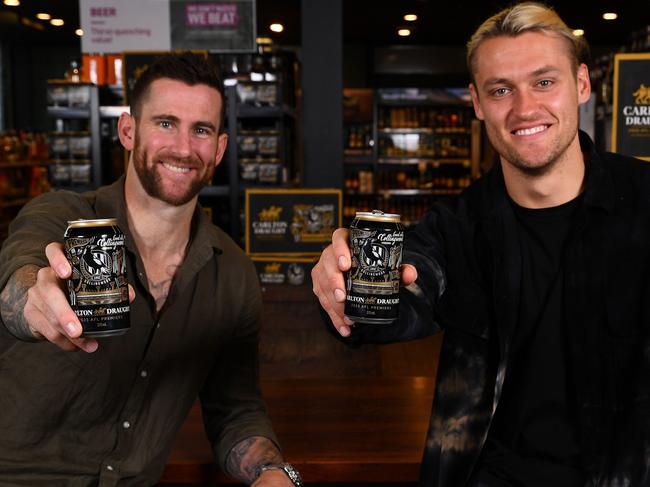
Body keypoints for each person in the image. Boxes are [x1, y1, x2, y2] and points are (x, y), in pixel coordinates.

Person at [312, 3, 649, 486]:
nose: (525, 108)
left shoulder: (642, 201)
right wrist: (345, 284)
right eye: (500, 90)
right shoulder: (458, 227)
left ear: (581, 84)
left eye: (544, 82)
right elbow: (403, 293)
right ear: (476, 102)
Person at [0, 53, 301, 486]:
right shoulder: (63, 217)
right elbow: (21, 273)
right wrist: (35, 302)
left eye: (200, 130)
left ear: (218, 148)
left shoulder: (233, 274)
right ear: (128, 130)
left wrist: (273, 472)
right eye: (165, 123)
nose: (182, 148)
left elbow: (236, 410)